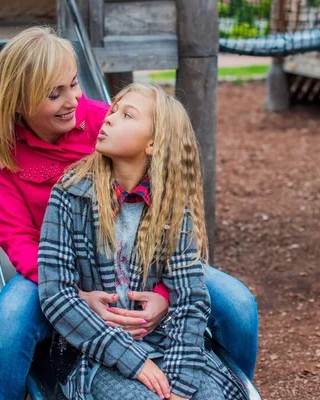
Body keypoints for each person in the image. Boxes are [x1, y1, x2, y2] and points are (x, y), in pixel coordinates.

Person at [0, 26, 258, 400]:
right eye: (54, 93)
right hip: (51, 268)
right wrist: (75, 293)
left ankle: (215, 375)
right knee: (9, 325)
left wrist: (163, 292)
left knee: (237, 304)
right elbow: (14, 234)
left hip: (139, 255)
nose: (72, 100)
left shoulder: (100, 120)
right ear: (19, 101)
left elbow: (164, 195)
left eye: (74, 84)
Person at [39, 83, 248, 400]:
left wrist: (179, 387)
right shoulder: (71, 193)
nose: (108, 119)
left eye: (127, 115)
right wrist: (133, 360)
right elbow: (56, 295)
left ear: (153, 144)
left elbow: (189, 300)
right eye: (112, 111)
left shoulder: (170, 207)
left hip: (164, 345)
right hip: (96, 354)